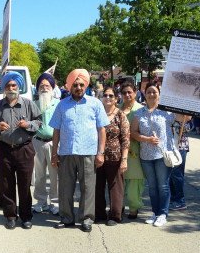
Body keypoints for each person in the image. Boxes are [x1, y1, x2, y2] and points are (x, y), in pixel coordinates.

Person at [50, 68, 109, 233]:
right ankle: (67, 218)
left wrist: (101, 152)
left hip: (88, 152)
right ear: (70, 87)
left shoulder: (95, 103)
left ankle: (86, 219)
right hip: (67, 153)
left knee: (88, 188)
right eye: (75, 84)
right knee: (65, 188)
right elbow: (57, 131)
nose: (78, 87)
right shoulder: (62, 105)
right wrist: (54, 153)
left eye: (81, 84)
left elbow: (102, 130)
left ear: (86, 86)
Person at [0, 71, 42, 229]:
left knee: (24, 184)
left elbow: (39, 122)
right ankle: (10, 215)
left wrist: (28, 125)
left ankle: (26, 216)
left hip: (24, 149)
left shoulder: (28, 104)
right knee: (6, 184)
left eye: (14, 85)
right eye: (8, 86)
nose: (11, 88)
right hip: (4, 150)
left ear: (18, 87)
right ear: (4, 88)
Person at [131, 83, 190, 227]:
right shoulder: (139, 113)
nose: (151, 94)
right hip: (146, 156)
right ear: (144, 94)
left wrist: (188, 108)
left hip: (163, 155)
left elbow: (184, 119)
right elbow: (133, 133)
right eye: (149, 92)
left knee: (163, 185)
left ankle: (163, 213)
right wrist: (147, 139)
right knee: (152, 186)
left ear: (159, 94)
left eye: (154, 92)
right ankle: (155, 212)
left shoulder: (167, 112)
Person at [96, 86, 130, 226]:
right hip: (98, 157)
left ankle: (115, 216)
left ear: (116, 99)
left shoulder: (120, 115)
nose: (108, 98)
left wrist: (124, 159)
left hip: (115, 158)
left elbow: (126, 139)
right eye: (105, 95)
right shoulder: (97, 113)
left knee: (115, 188)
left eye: (111, 96)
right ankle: (99, 214)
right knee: (97, 186)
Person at [30, 73, 60, 215]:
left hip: (54, 144)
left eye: (47, 86)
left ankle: (55, 202)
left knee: (55, 174)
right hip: (38, 142)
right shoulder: (34, 104)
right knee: (40, 174)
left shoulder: (58, 105)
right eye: (41, 86)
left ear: (52, 88)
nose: (44, 88)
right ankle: (41, 201)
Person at [118, 81, 145, 219]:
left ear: (135, 93)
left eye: (130, 92)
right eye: (124, 92)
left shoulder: (141, 110)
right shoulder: (116, 109)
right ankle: (118, 207)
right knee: (119, 181)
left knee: (134, 182)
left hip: (136, 150)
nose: (127, 95)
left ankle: (134, 208)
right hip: (118, 151)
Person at [170, 120, 191, 211]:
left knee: (177, 174)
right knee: (170, 174)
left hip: (180, 147)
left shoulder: (185, 115)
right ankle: (172, 198)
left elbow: (187, 128)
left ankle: (180, 201)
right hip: (169, 146)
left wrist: (180, 121)